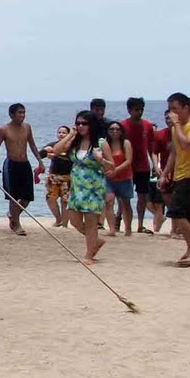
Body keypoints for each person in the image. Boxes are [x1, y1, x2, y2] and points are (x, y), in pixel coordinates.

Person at [47, 112, 115, 265]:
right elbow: (56, 150)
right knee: (74, 220)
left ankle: (89, 254)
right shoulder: (75, 142)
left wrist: (100, 159)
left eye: (84, 123)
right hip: (77, 186)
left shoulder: (101, 142)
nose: (81, 126)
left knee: (91, 222)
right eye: (78, 123)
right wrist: (71, 135)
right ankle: (95, 241)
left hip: (93, 187)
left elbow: (112, 166)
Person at [164, 93, 190, 268]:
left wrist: (178, 124)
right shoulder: (175, 128)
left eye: (176, 109)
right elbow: (175, 151)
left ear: (187, 108)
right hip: (180, 173)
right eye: (170, 109)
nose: (172, 113)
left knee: (176, 210)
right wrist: (165, 172)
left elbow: (187, 143)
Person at [0, 103, 41, 235]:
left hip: (25, 164)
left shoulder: (27, 127)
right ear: (12, 115)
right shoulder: (4, 129)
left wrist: (40, 162)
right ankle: (17, 225)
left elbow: (33, 145)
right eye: (19, 113)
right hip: (11, 165)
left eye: (24, 113)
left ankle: (13, 214)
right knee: (13, 197)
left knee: (27, 197)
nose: (22, 115)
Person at [121, 98, 158, 235]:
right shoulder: (123, 126)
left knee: (142, 196)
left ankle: (141, 224)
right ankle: (125, 223)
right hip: (127, 166)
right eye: (136, 109)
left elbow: (151, 147)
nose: (139, 112)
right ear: (129, 110)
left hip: (143, 167)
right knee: (124, 197)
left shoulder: (147, 125)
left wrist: (154, 164)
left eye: (141, 109)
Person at [102, 120, 134, 236]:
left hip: (124, 177)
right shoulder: (105, 144)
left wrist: (115, 170)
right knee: (109, 202)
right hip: (109, 178)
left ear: (121, 131)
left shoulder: (125, 143)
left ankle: (128, 229)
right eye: (112, 129)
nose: (114, 131)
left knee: (125, 203)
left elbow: (128, 161)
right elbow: (101, 160)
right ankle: (112, 229)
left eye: (117, 129)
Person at [43, 125, 73, 227]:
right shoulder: (53, 145)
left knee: (65, 201)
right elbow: (40, 155)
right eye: (59, 132)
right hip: (53, 176)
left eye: (64, 133)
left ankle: (65, 224)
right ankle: (58, 219)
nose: (61, 134)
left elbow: (70, 161)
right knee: (50, 199)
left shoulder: (71, 146)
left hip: (67, 177)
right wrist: (44, 151)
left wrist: (55, 157)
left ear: (69, 135)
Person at [148, 121, 173, 237]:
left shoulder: (162, 141)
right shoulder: (152, 142)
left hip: (164, 175)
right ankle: (161, 219)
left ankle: (160, 227)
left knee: (160, 204)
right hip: (153, 177)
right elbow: (153, 154)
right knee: (149, 203)